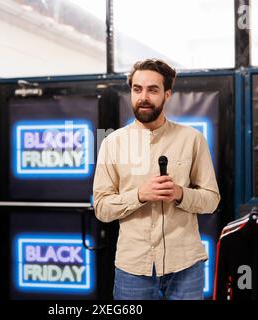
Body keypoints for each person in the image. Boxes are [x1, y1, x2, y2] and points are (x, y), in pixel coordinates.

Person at [93, 59, 220, 300]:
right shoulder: (111, 142)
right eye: (137, 89)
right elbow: (101, 208)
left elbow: (212, 200)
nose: (144, 97)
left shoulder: (192, 139)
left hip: (186, 266)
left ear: (167, 94)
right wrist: (140, 195)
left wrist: (180, 194)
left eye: (153, 90)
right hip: (133, 269)